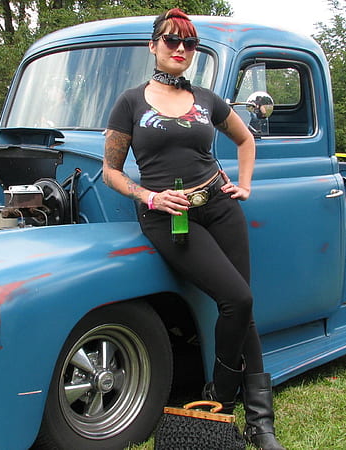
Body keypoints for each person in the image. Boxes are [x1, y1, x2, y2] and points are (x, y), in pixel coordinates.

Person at [103, 9, 285, 450]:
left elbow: (246, 139)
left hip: (219, 206)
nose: (180, 49)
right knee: (237, 298)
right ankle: (221, 397)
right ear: (153, 46)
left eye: (188, 44)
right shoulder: (131, 102)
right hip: (169, 216)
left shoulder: (206, 99)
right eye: (171, 41)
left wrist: (244, 184)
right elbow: (110, 169)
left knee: (246, 310)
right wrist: (150, 196)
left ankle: (260, 423)